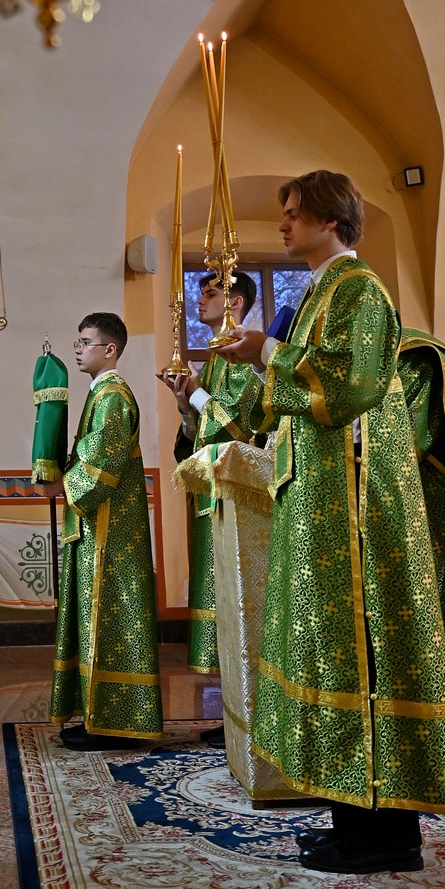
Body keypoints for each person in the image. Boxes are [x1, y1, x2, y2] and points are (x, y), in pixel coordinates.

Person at [222, 170, 445, 874]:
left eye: (292, 213)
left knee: (366, 660)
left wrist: (266, 351)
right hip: (324, 503)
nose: (282, 224)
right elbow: (288, 398)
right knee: (334, 657)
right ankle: (354, 827)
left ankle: (385, 839)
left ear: (329, 218)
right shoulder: (319, 293)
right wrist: (253, 366)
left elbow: (348, 384)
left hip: (358, 510)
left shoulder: (359, 289)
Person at [48, 312, 164, 750]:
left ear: (109, 350)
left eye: (86, 342)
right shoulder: (100, 394)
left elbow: (100, 468)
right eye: (77, 342)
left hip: (112, 535)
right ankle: (99, 717)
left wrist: (61, 485)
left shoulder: (113, 397)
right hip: (99, 528)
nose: (78, 350)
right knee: (95, 622)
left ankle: (117, 723)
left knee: (110, 621)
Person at [163, 271, 264, 674]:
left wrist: (196, 393)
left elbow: (237, 428)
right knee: (211, 583)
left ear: (235, 302)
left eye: (210, 293)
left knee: (234, 585)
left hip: (238, 494)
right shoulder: (213, 362)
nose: (200, 300)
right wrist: (184, 404)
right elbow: (197, 439)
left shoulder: (244, 360)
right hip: (210, 493)